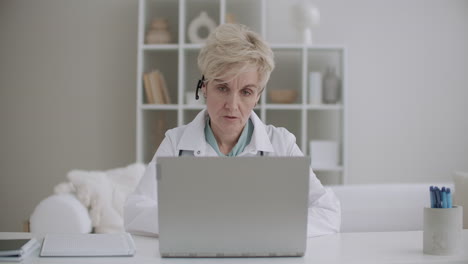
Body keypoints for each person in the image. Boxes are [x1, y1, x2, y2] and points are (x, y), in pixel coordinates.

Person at [124, 23, 340, 237]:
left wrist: (267, 228)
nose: (232, 104)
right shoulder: (175, 143)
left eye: (246, 91)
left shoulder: (281, 144)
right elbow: (135, 212)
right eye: (222, 88)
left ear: (257, 96)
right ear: (204, 88)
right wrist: (198, 224)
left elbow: (328, 212)